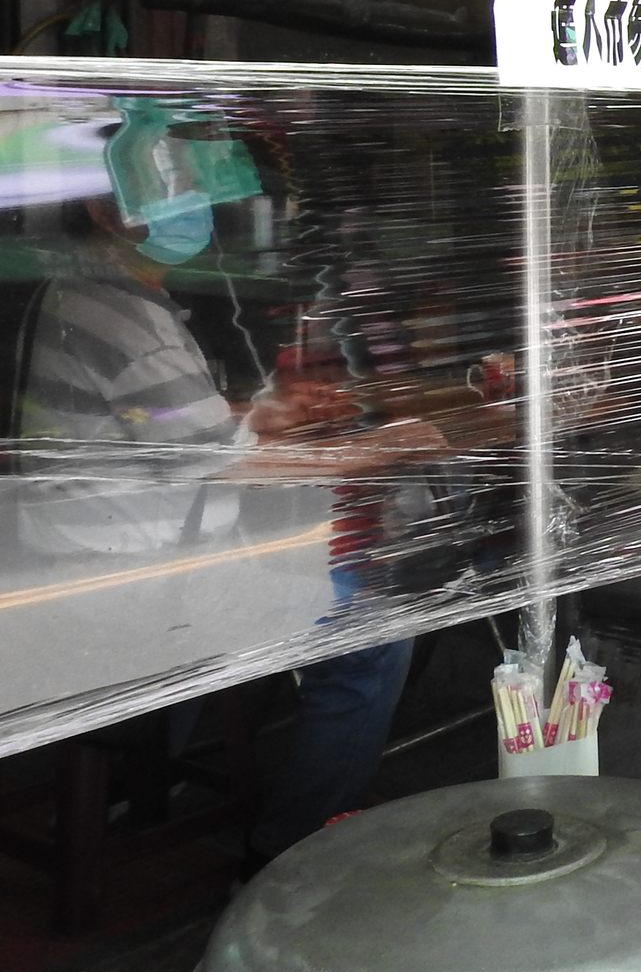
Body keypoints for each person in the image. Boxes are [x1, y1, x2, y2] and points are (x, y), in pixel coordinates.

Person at [10, 110, 441, 869]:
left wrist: (259, 410)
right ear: (106, 209)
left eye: (194, 191)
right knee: (376, 632)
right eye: (171, 192)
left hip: (96, 563)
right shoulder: (120, 314)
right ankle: (290, 851)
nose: (194, 210)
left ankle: (145, 782)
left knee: (290, 569)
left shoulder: (86, 294)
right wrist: (389, 445)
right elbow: (229, 464)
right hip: (125, 586)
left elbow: (163, 421)